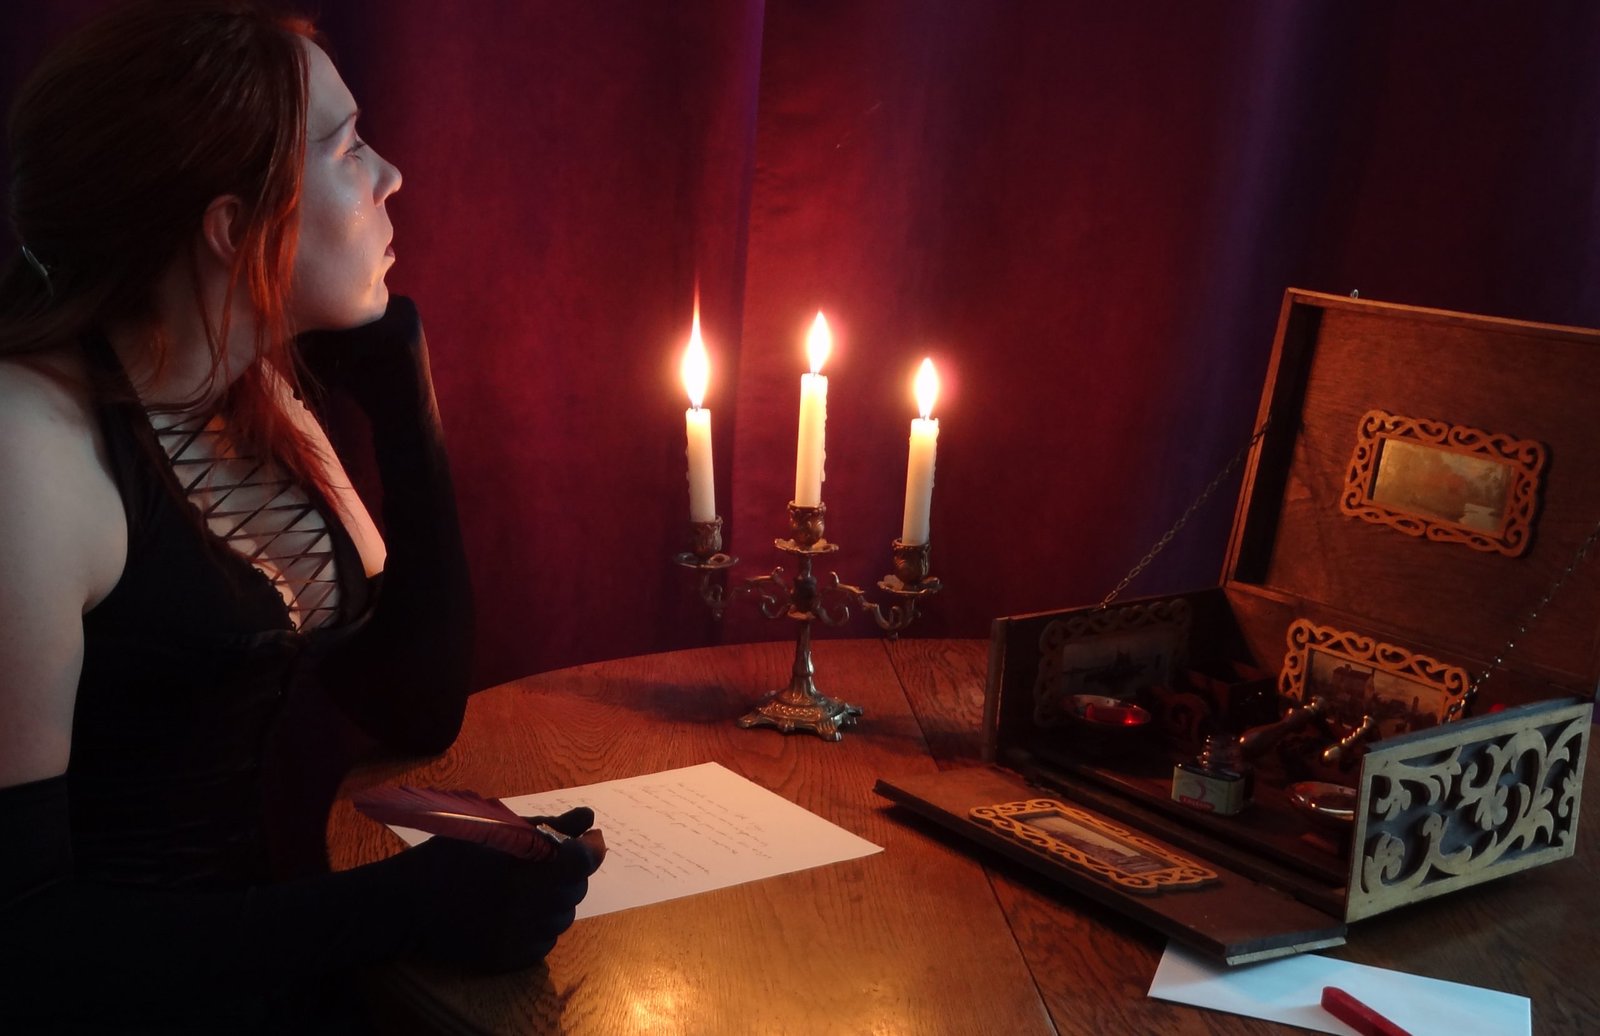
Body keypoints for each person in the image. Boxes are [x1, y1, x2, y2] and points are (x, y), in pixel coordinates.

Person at [0, 2, 605, 1031]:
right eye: (348, 146)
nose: (390, 176)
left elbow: (410, 707)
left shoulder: (247, 389)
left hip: (254, 973)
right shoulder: (29, 452)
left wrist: (407, 411)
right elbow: (23, 940)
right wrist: (400, 907)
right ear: (235, 229)